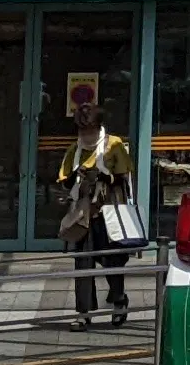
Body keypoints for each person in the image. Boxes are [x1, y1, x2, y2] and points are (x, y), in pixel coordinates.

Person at [57, 96, 136, 329]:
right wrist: (75, 177)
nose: (87, 136)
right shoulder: (75, 149)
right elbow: (63, 180)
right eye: (82, 131)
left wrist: (105, 177)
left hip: (108, 211)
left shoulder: (114, 144)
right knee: (83, 264)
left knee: (112, 260)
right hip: (84, 215)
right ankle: (83, 313)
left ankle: (119, 300)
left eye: (90, 130)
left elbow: (124, 177)